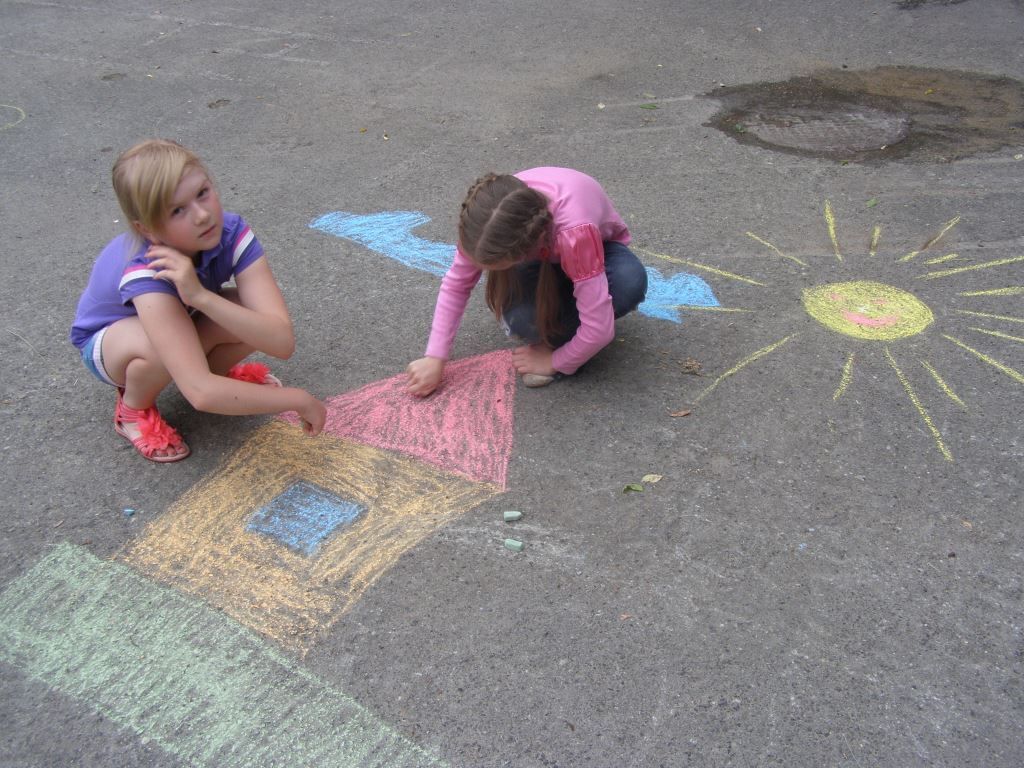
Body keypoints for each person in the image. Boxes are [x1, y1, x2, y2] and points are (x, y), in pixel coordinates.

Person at [70, 139, 326, 462]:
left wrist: (201, 297)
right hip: (109, 344)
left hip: (182, 312)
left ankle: (217, 377)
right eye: (178, 210)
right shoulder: (147, 270)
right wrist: (298, 399)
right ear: (147, 229)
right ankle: (133, 410)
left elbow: (281, 340)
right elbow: (200, 393)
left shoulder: (231, 231)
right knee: (156, 348)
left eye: (203, 192)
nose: (203, 215)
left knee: (248, 314)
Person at [406, 167, 648, 396]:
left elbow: (599, 330)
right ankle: (563, 323)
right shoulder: (485, 224)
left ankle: (561, 337)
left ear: (522, 253)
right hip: (543, 248)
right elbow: (456, 284)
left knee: (629, 281)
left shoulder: (575, 233)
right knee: (523, 321)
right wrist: (435, 357)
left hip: (594, 250)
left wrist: (555, 361)